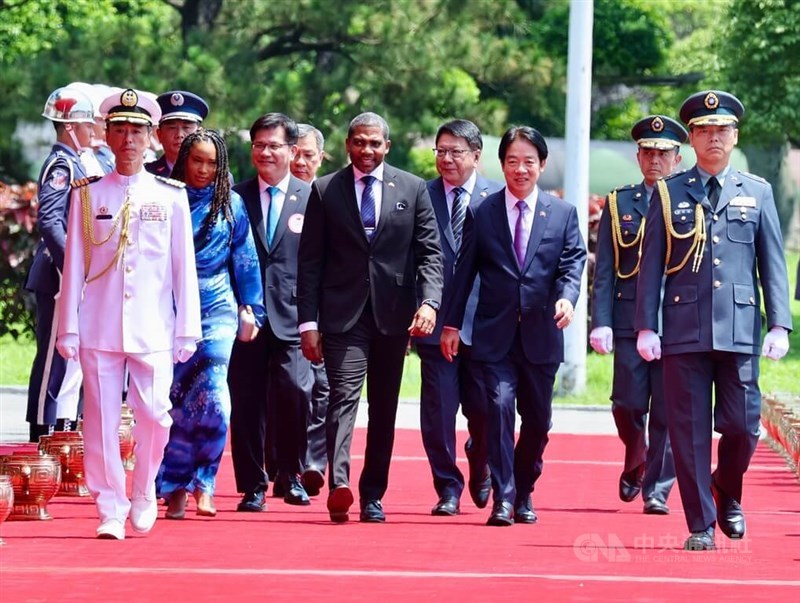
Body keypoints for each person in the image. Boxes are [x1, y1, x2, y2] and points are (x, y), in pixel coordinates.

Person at [634, 90, 792, 551]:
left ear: (735, 135)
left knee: (743, 427)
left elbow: (772, 263)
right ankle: (700, 523)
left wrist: (779, 323)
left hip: (740, 328)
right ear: (693, 138)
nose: (713, 138)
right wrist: (647, 324)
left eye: (721, 129)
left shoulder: (757, 191)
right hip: (683, 330)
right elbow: (651, 265)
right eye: (704, 130)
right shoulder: (668, 192)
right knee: (688, 430)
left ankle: (727, 488)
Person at [56, 88, 202, 541]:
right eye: (119, 129)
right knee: (98, 423)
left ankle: (143, 492)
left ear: (151, 137)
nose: (128, 139)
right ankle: (110, 506)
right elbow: (74, 266)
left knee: (156, 415)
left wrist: (186, 329)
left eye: (137, 130)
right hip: (99, 323)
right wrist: (69, 327)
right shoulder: (88, 194)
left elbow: (184, 268)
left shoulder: (170, 194)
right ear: (106, 134)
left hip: (154, 326)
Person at [297, 112, 443, 523]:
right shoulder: (326, 191)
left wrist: (429, 303)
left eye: (375, 143)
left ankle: (372, 494)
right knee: (343, 397)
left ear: (387, 147)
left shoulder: (413, 190)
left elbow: (430, 254)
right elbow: (310, 263)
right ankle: (340, 482)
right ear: (347, 144)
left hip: (394, 317)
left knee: (383, 407)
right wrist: (308, 323)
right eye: (359, 142)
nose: (367, 150)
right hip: (342, 317)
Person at [440, 125, 586, 526]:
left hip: (541, 333)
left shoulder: (563, 213)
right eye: (512, 162)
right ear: (501, 164)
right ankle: (504, 498)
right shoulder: (482, 212)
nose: (520, 170)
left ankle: (524, 491)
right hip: (495, 334)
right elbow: (464, 270)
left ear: (542, 165)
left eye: (528, 162)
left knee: (538, 422)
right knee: (500, 408)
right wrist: (451, 323)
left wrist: (566, 298)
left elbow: (573, 263)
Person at [156, 129, 265, 519]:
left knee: (216, 400)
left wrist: (251, 309)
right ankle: (173, 486)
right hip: (168, 309)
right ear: (184, 159)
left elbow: (247, 262)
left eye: (212, 162)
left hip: (217, 307)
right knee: (175, 402)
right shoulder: (165, 199)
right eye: (196, 160)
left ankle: (205, 482)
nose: (203, 169)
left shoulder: (231, 205)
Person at [590, 115, 686, 515]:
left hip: (677, 319)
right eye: (648, 152)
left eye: (663, 154)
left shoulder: (687, 199)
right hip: (629, 317)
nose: (655, 160)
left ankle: (657, 488)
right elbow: (606, 269)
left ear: (677, 158)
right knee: (627, 403)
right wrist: (601, 321)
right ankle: (636, 455)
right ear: (638, 156)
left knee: (666, 409)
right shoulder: (619, 202)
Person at [228, 113, 314, 512]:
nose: (265, 152)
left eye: (274, 145)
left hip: (295, 316)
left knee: (296, 392)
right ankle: (252, 484)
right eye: (259, 144)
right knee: (246, 401)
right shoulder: (233, 196)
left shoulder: (312, 197)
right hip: (245, 315)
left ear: (292, 151)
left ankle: (291, 475)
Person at [415, 119, 501, 517]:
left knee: (485, 411)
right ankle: (447, 486)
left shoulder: (496, 198)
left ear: (477, 156)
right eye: (441, 151)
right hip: (433, 326)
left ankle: (480, 459)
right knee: (438, 412)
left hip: (483, 326)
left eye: (456, 152)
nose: (446, 159)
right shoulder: (419, 195)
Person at [24, 86, 97, 442]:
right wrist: (74, 269)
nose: (93, 130)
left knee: (70, 362)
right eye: (86, 124)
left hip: (68, 274)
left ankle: (60, 434)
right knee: (53, 360)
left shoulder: (76, 162)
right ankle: (41, 432)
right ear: (70, 127)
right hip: (58, 275)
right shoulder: (62, 165)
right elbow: (51, 221)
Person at [289, 123, 329, 496]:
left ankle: (314, 463)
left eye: (309, 155)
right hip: (284, 310)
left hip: (327, 311)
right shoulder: (276, 196)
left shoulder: (332, 195)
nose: (300, 162)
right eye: (295, 153)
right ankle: (285, 462)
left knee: (324, 388)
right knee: (294, 391)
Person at [145, 90, 209, 177]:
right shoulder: (146, 175)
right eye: (172, 128)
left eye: (186, 127)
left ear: (200, 133)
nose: (179, 134)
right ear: (159, 135)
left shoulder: (213, 176)